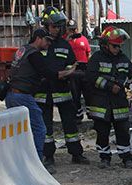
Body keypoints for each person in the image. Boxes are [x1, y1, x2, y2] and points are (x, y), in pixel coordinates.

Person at [5, 29, 77, 171]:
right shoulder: (34, 54)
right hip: (23, 96)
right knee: (39, 129)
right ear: (38, 38)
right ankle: (38, 165)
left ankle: (21, 163)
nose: (49, 44)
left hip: (11, 95)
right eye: (47, 40)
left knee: (19, 131)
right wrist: (69, 71)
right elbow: (48, 73)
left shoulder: (23, 50)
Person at [38, 6, 89, 168]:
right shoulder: (38, 44)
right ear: (45, 26)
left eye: (60, 26)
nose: (58, 29)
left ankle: (76, 153)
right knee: (46, 126)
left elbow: (71, 65)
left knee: (70, 123)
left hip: (62, 90)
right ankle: (48, 156)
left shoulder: (65, 45)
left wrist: (67, 73)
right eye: (54, 26)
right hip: (43, 91)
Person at [85, 26, 132, 169]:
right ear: (105, 44)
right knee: (102, 132)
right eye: (115, 46)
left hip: (119, 102)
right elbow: (91, 77)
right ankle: (104, 158)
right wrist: (109, 86)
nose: (117, 49)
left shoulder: (123, 58)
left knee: (123, 131)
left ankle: (126, 157)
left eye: (119, 46)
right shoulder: (97, 58)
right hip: (101, 102)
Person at [65, 19, 91, 123]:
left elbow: (88, 53)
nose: (73, 32)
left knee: (88, 94)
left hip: (84, 69)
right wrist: (67, 40)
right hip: (72, 71)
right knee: (75, 95)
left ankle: (91, 115)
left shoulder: (84, 39)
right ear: (67, 30)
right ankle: (78, 115)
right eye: (70, 30)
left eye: (74, 29)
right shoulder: (65, 40)